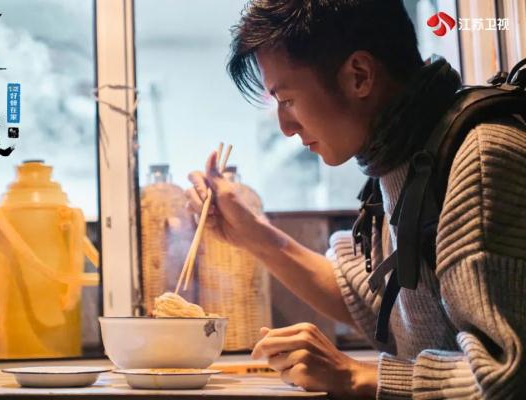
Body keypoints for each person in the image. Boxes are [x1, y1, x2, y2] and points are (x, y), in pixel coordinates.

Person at [185, 0, 526, 399]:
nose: (285, 126)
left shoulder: (480, 157)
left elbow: (507, 379)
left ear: (359, 76)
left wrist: (356, 377)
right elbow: (377, 303)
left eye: (287, 99)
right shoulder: (403, 152)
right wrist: (252, 235)